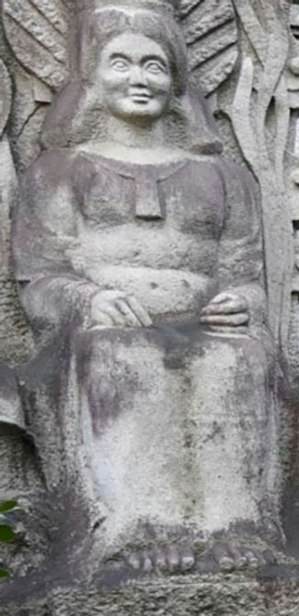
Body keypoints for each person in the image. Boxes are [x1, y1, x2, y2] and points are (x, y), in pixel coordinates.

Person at [13, 0, 281, 575]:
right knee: (121, 354)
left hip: (205, 329)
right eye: (121, 63)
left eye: (155, 66)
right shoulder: (58, 170)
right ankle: (138, 529)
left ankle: (235, 528)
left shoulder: (224, 176)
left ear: (178, 80)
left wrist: (243, 303)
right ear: (90, 77)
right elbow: (36, 280)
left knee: (240, 359)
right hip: (96, 336)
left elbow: (246, 273)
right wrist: (87, 299)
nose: (139, 79)